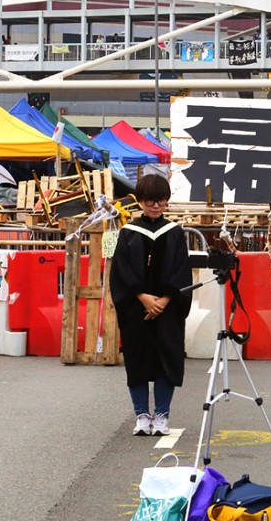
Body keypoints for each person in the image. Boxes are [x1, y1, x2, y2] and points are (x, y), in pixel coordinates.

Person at [109, 174, 193, 437]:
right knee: (137, 361)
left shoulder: (175, 233)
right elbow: (121, 272)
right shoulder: (128, 232)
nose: (155, 205)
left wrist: (166, 299)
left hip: (168, 311)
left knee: (165, 361)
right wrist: (143, 297)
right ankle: (142, 415)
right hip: (136, 309)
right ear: (141, 201)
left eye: (160, 200)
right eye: (149, 200)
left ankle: (162, 416)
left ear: (166, 201)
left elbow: (181, 271)